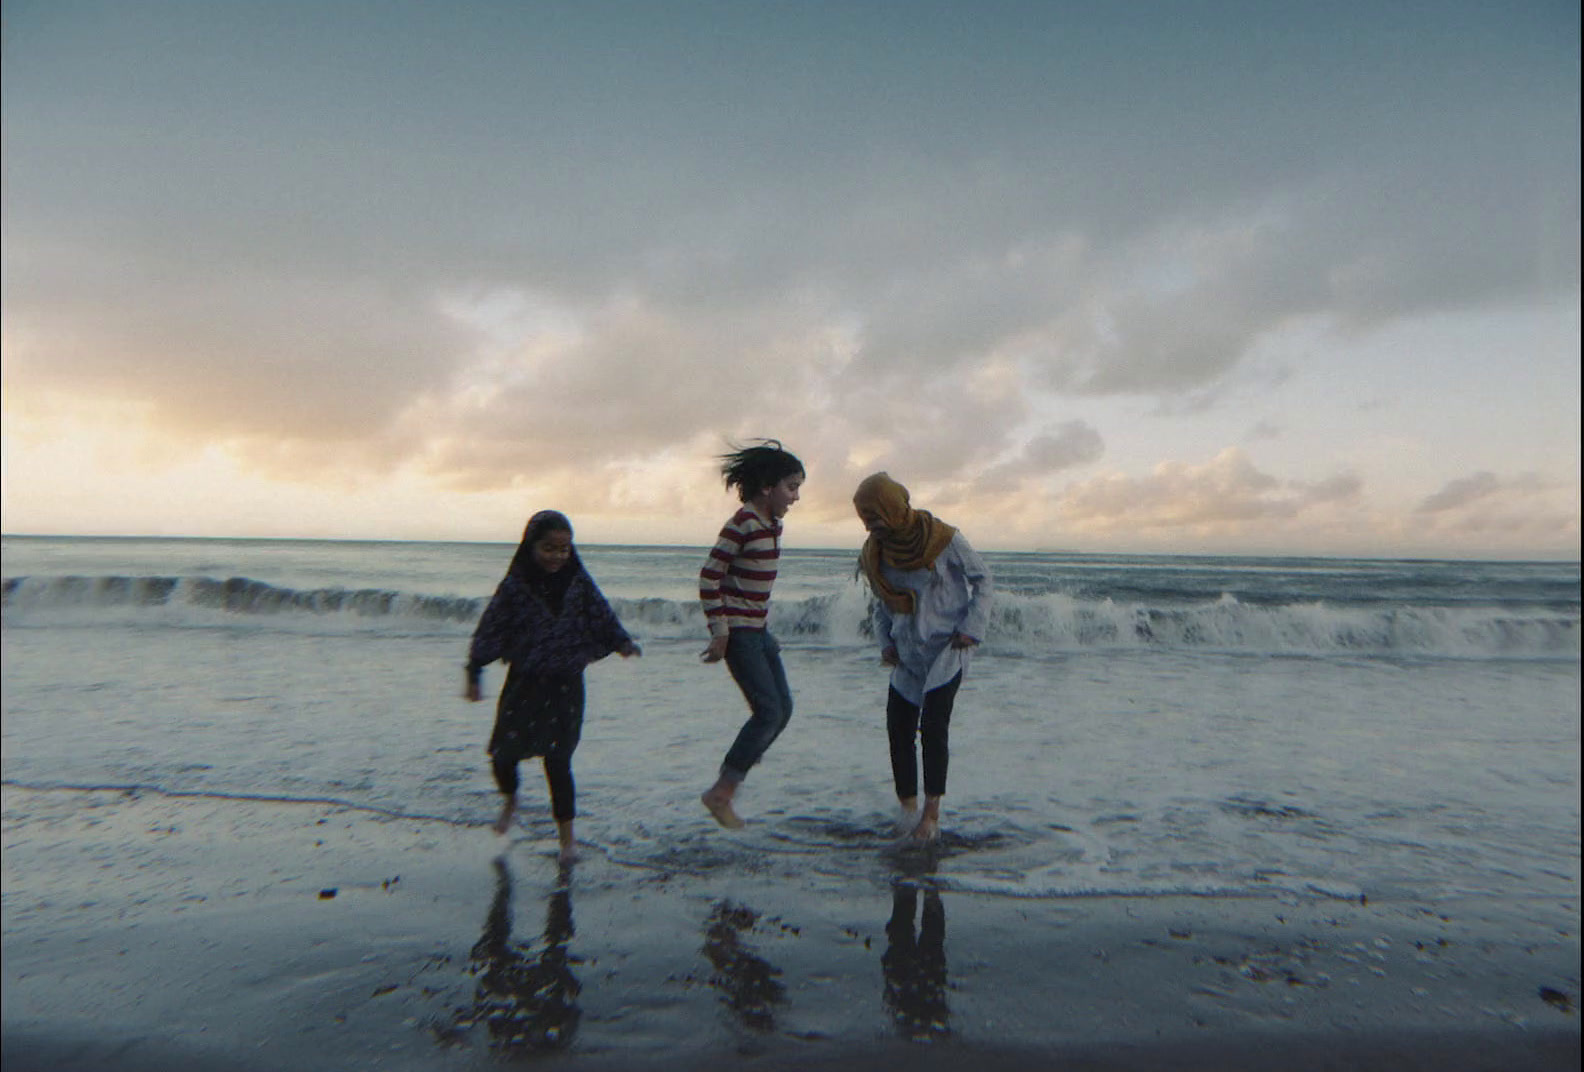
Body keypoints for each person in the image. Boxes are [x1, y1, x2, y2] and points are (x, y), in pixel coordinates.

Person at [465, 510, 640, 862]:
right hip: (525, 682)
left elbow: (600, 613)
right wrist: (474, 670)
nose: (557, 556)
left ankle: (568, 843)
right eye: (549, 548)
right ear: (531, 546)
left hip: (566, 682)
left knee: (559, 761)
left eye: (564, 549)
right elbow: (492, 625)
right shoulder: (515, 585)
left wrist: (621, 642)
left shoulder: (578, 580)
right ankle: (512, 799)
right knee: (503, 755)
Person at [853, 472, 993, 843]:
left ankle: (931, 816)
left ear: (893, 508)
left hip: (949, 647)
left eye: (875, 516)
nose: (870, 525)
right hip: (907, 650)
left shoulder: (944, 538)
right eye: (865, 518)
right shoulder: (875, 551)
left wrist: (971, 627)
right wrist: (884, 639)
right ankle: (907, 811)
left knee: (933, 728)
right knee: (897, 728)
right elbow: (882, 600)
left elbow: (983, 579)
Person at [697, 440, 806, 829]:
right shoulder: (742, 523)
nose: (795, 497)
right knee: (768, 712)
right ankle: (721, 793)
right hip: (740, 634)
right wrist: (720, 632)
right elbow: (710, 577)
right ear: (767, 487)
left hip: (759, 632)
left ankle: (742, 760)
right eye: (791, 488)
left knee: (783, 711)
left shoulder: (772, 524)